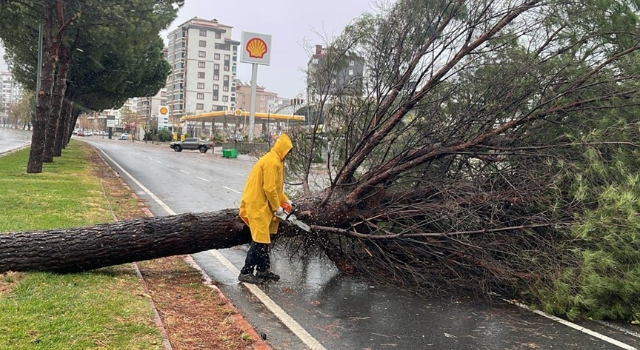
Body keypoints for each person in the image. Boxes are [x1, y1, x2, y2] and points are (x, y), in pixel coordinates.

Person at [238, 133, 293, 284]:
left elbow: (276, 188)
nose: (288, 155)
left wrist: (285, 200)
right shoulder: (271, 162)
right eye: (287, 151)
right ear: (283, 149)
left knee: (265, 239)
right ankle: (246, 272)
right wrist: (277, 207)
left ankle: (262, 270)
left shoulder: (277, 161)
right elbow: (269, 188)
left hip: (263, 205)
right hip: (257, 204)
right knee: (259, 240)